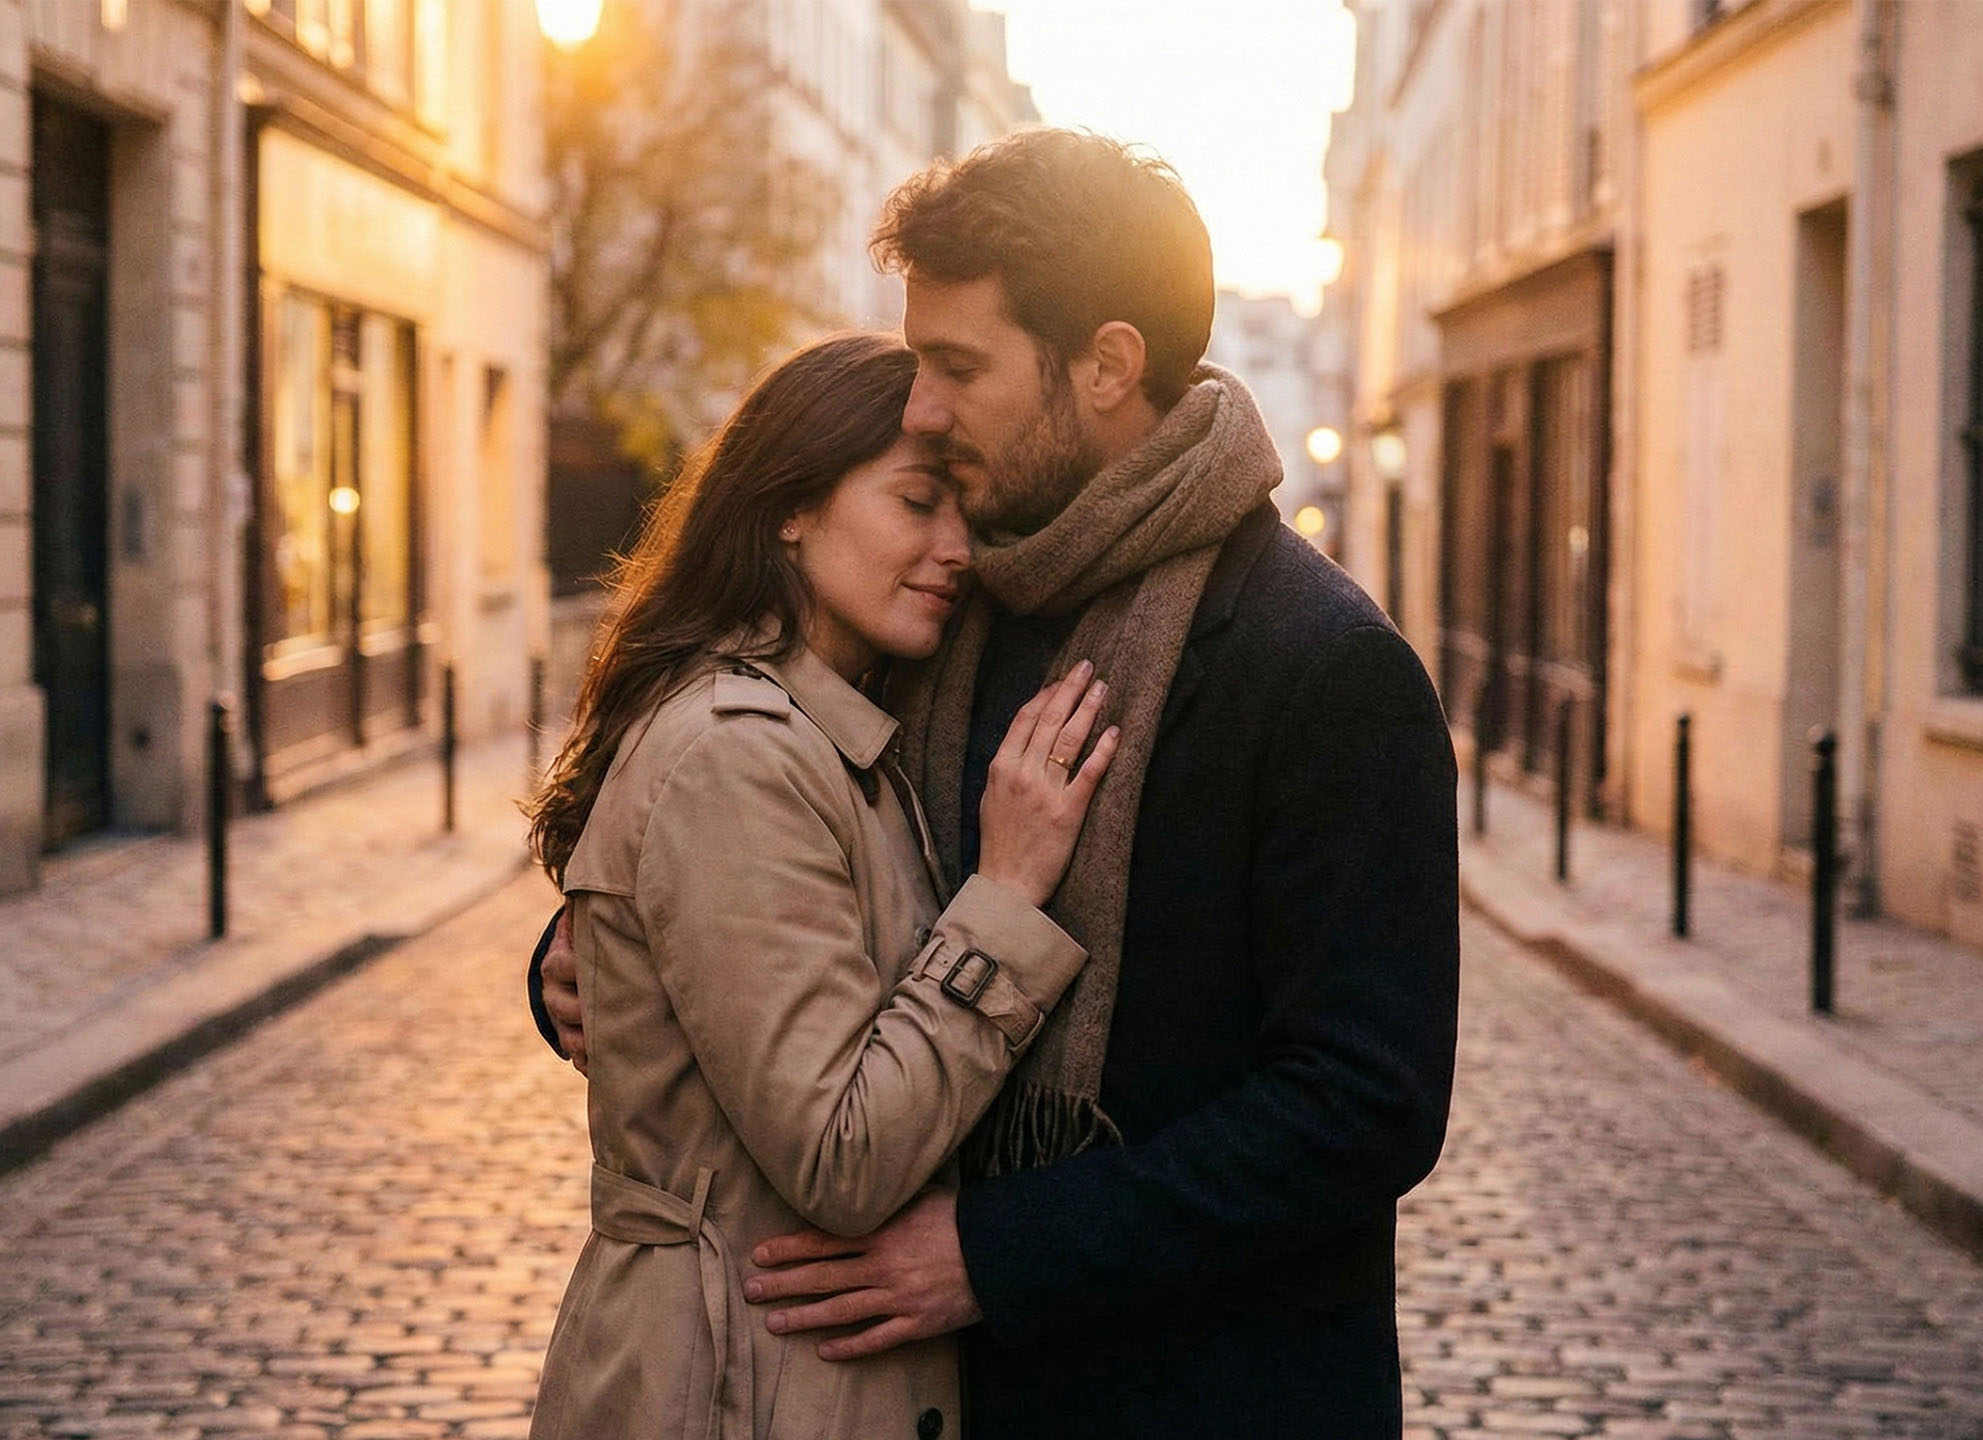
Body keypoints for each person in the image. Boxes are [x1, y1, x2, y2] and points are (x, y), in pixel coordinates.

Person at [539, 129, 1461, 1438]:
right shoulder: (956, 603)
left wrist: (993, 1250)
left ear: (1105, 365)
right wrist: (602, 946)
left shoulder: (1319, 665)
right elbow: (778, 844)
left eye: (956, 366)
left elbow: (1363, 1106)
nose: (921, 406)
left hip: (1202, 1391)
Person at [523, 331, 1127, 1440]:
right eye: (913, 504)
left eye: (965, 513)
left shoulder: (832, 730)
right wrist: (1006, 891)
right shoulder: (738, 752)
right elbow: (842, 1159)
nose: (959, 549)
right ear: (788, 509)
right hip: (728, 1384)